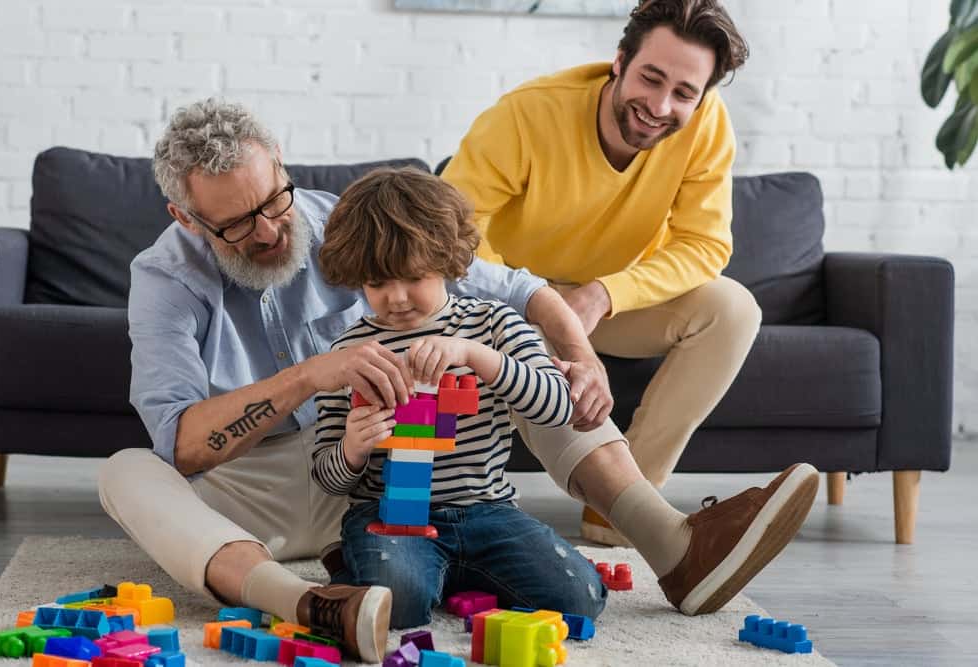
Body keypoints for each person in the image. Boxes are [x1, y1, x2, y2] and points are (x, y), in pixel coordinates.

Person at [101, 90, 813, 667]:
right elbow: (185, 444)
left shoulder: (353, 225)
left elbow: (518, 289)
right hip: (282, 479)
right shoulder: (163, 279)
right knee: (128, 471)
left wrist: (583, 355)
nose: (266, 232)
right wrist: (311, 376)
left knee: (512, 349)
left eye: (273, 201)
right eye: (235, 225)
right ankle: (313, 604)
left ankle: (672, 543)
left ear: (282, 165)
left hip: (407, 476)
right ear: (187, 219)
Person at [440, 0, 791, 552]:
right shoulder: (526, 115)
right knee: (522, 337)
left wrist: (604, 294)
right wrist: (532, 300)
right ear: (620, 61)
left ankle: (620, 515)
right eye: (650, 78)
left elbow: (703, 245)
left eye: (683, 93)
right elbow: (448, 233)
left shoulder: (706, 124)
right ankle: (648, 521)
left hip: (606, 300)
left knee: (733, 309)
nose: (660, 105)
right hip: (511, 299)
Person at [311, 167, 607, 629]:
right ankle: (368, 566)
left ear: (448, 259)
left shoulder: (494, 325)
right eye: (377, 284)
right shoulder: (349, 354)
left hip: (486, 510)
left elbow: (557, 407)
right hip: (389, 515)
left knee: (580, 597)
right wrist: (352, 448)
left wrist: (476, 356)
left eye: (413, 277)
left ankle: (450, 573)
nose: (397, 298)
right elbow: (328, 479)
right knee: (399, 607)